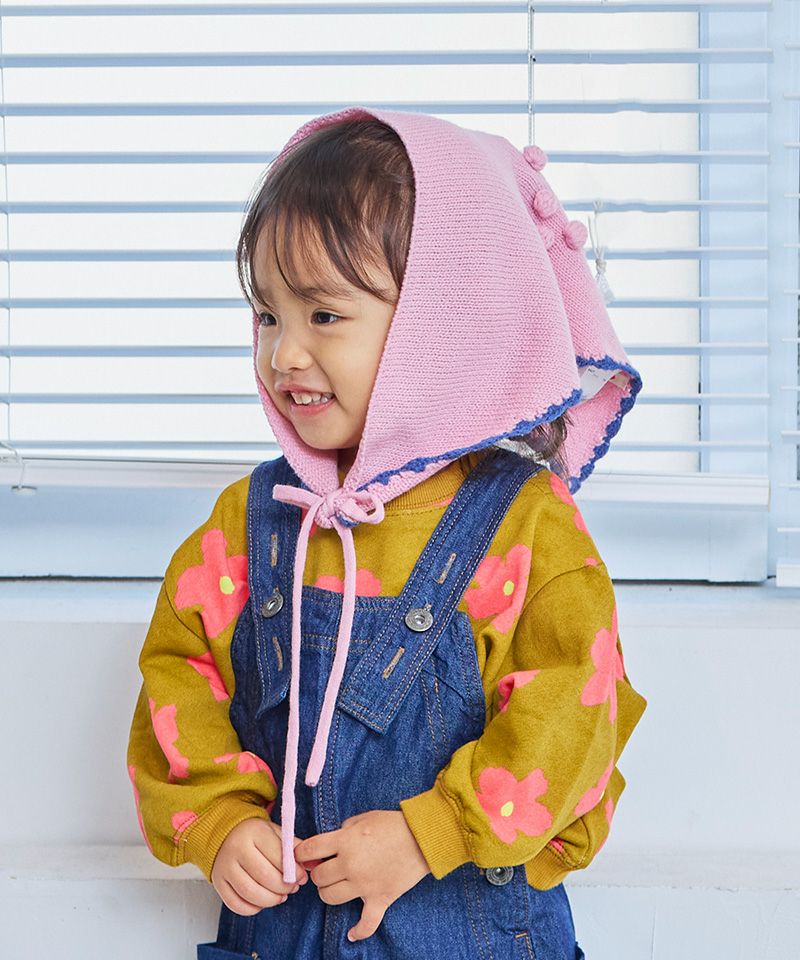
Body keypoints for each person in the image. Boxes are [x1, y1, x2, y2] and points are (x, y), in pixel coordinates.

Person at [126, 106, 648, 960]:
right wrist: (217, 819)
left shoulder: (528, 529)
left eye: (323, 316)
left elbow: (573, 716)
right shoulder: (253, 524)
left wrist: (431, 831)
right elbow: (178, 674)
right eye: (268, 315)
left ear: (440, 329)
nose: (285, 354)